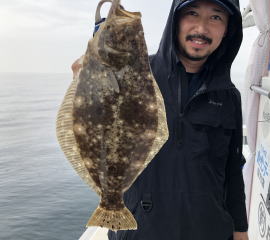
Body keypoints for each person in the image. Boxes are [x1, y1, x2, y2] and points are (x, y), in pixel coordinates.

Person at [74, 0, 248, 239]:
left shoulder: (229, 95)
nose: (201, 28)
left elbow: (232, 170)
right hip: (140, 230)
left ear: (228, 28)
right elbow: (96, 123)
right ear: (175, 20)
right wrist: (86, 85)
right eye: (192, 13)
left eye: (216, 17)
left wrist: (240, 229)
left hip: (210, 230)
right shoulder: (133, 73)